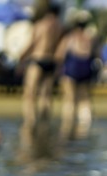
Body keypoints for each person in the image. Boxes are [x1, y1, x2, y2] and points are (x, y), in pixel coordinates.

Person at [20, 2, 64, 126]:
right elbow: (61, 48)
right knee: (46, 95)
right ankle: (45, 124)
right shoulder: (60, 27)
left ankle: (30, 123)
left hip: (38, 60)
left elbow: (32, 43)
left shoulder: (41, 25)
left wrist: (21, 57)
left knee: (30, 94)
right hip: (51, 62)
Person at [57, 9, 97, 138]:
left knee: (69, 99)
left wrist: (57, 69)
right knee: (85, 99)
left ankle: (67, 126)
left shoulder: (70, 37)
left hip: (72, 67)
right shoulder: (90, 38)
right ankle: (85, 127)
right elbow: (96, 55)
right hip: (86, 67)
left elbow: (60, 54)